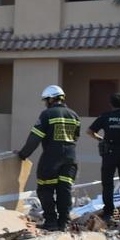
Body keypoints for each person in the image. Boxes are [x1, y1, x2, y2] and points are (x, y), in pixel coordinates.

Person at [17, 85, 81, 231]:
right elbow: (75, 137)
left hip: (51, 158)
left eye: (46, 100)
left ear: (51, 99)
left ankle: (51, 222)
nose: (45, 103)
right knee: (64, 190)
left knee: (45, 189)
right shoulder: (74, 115)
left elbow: (35, 138)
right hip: (71, 158)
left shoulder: (47, 114)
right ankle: (64, 222)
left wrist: (23, 154)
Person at [87, 93, 120, 222]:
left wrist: (101, 139)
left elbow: (89, 131)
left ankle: (108, 213)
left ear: (111, 104)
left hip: (109, 154)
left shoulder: (105, 117)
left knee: (108, 184)